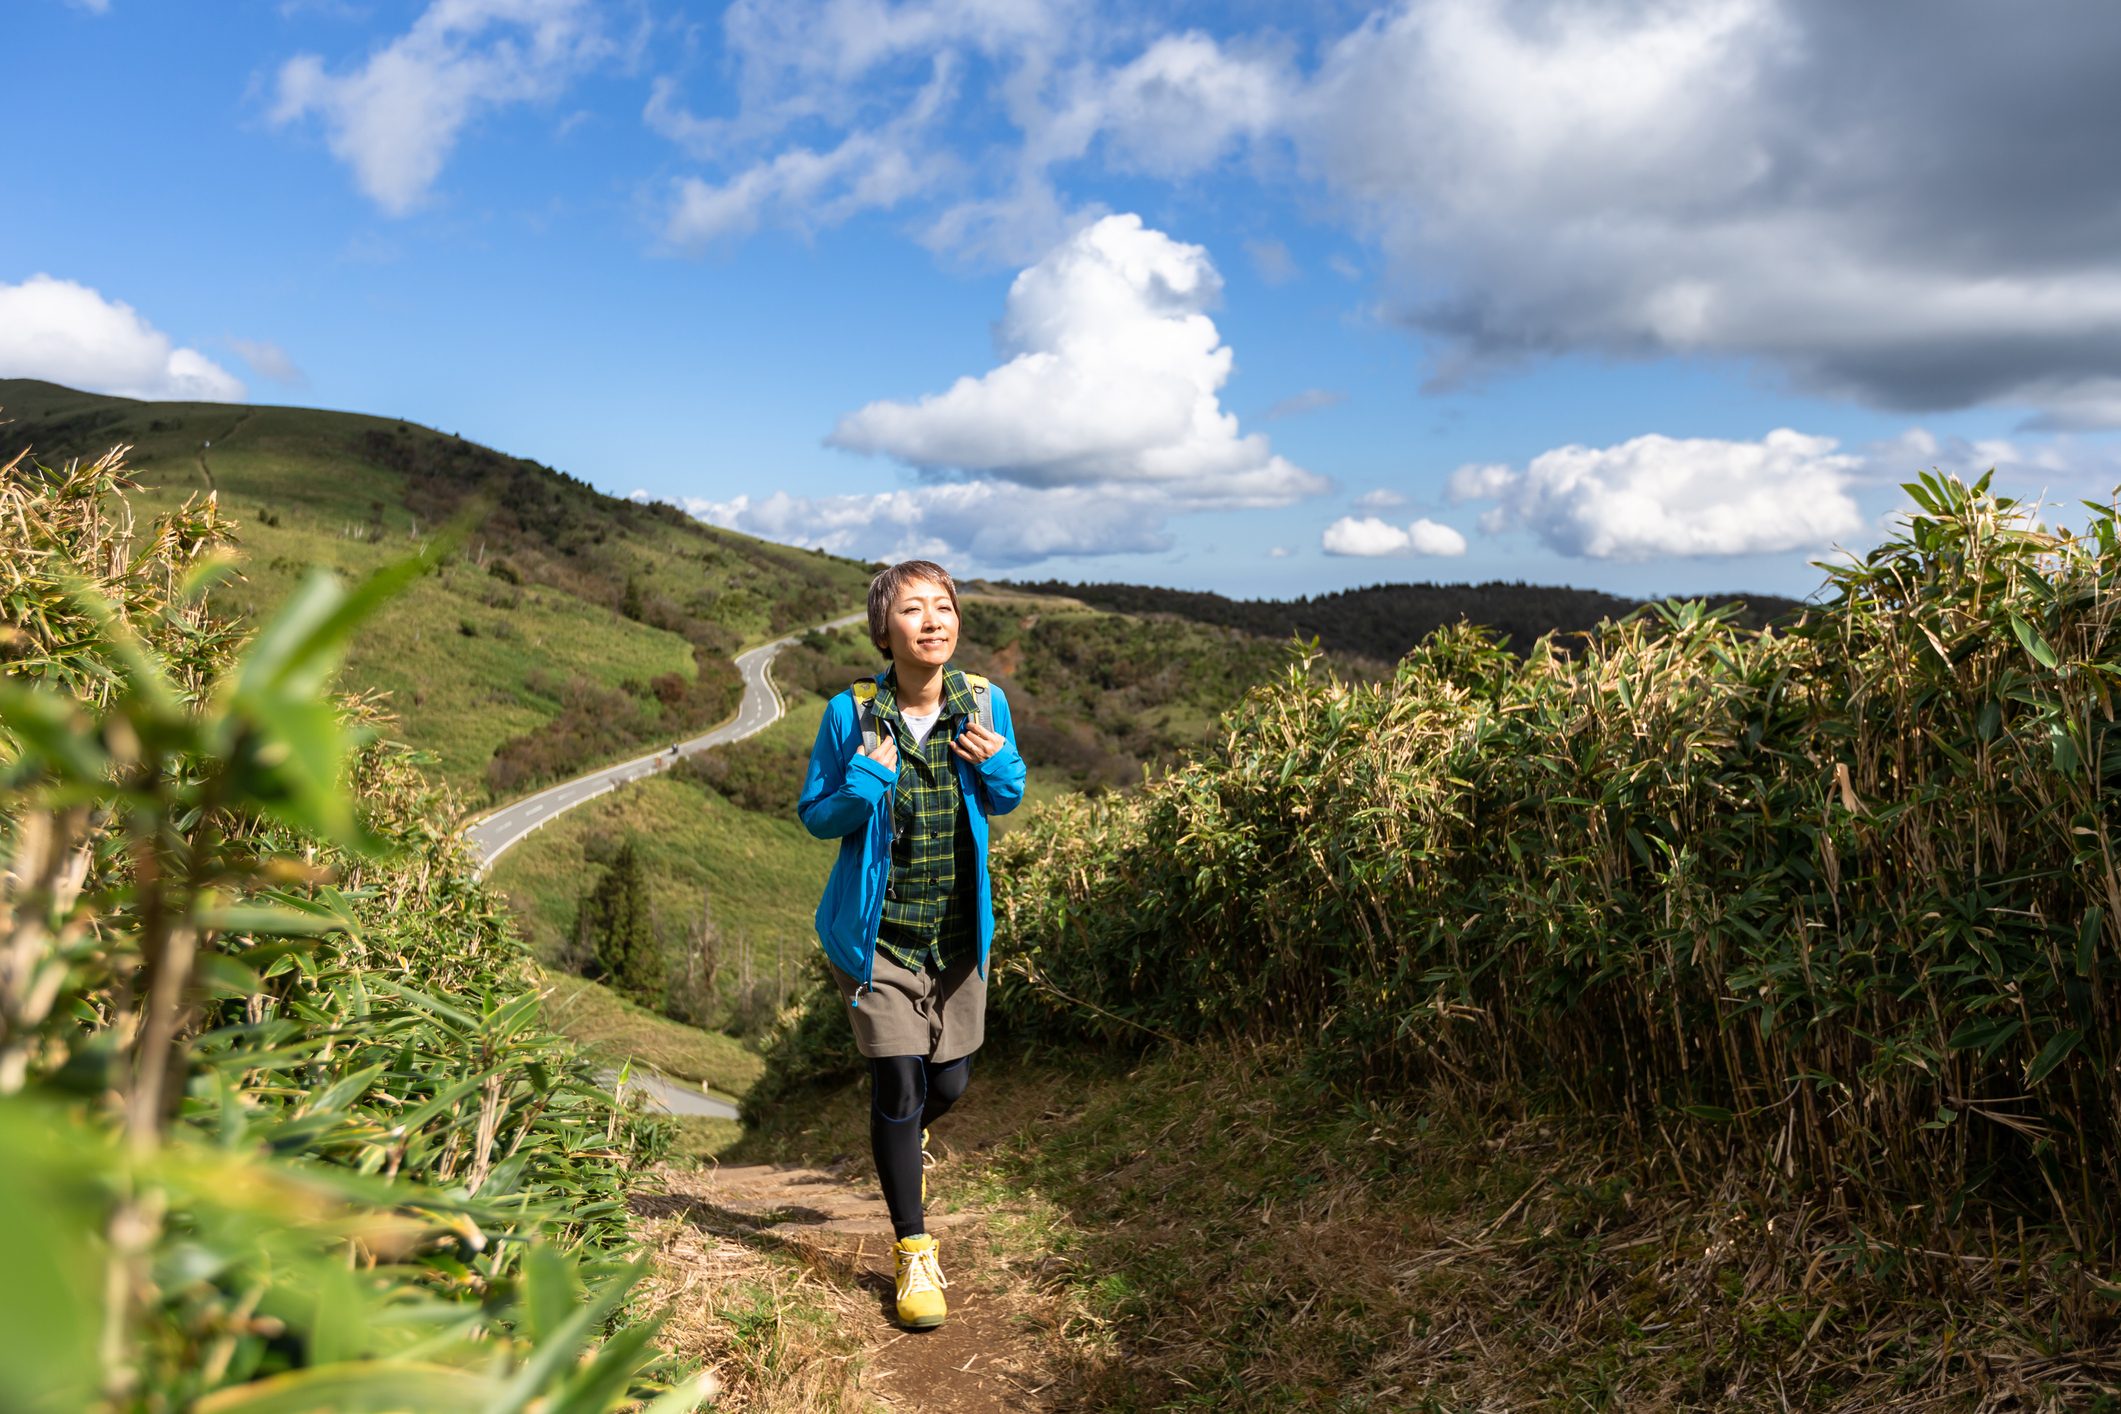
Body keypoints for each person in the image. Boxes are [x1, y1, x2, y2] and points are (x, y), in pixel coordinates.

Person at [797, 560, 1025, 1330]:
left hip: (958, 938)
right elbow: (816, 816)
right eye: (912, 610)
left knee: (948, 1086)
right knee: (897, 1085)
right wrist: (863, 782)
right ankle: (913, 1247)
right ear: (883, 630)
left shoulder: (983, 701)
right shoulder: (849, 714)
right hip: (876, 941)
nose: (932, 621)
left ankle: (893, 1143)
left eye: (943, 607)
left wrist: (995, 763)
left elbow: (1009, 793)